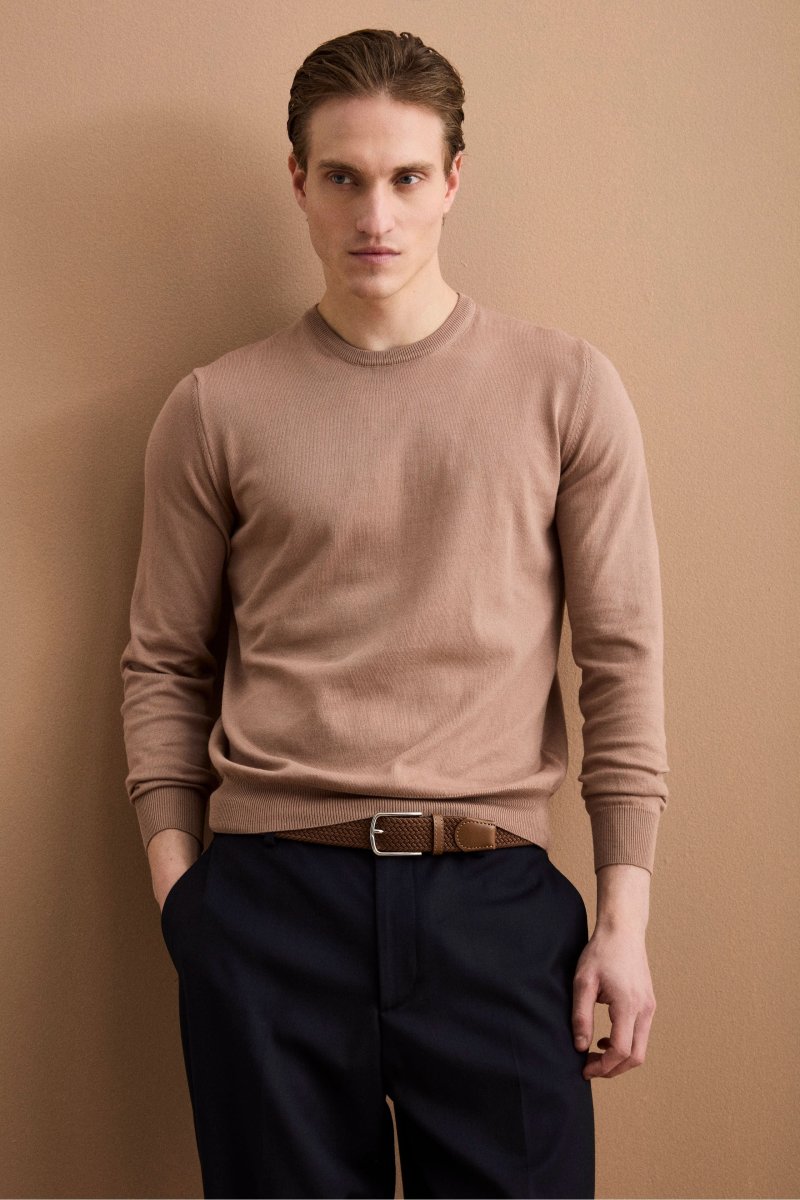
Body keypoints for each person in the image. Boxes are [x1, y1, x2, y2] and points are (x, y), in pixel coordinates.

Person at [119, 27, 669, 1200]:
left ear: (452, 180)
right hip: (268, 907)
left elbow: (619, 662)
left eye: (406, 177)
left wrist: (622, 921)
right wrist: (186, 904)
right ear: (298, 181)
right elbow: (162, 664)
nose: (376, 215)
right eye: (344, 177)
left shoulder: (565, 388)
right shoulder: (214, 408)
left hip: (496, 906)